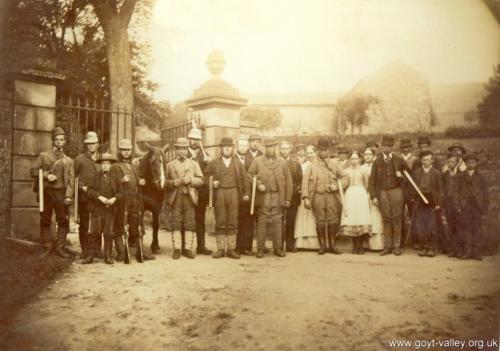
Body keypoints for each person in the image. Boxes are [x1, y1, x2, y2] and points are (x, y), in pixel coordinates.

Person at [30, 127, 75, 258]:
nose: (59, 142)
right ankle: (47, 246)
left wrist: (68, 196)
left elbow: (71, 181)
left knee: (63, 220)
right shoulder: (44, 156)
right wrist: (46, 175)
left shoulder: (68, 160)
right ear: (52, 141)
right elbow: (32, 171)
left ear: (65, 142)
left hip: (61, 194)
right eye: (57, 139)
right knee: (45, 219)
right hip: (47, 192)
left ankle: (60, 248)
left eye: (62, 140)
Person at [204, 137, 250, 259]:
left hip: (234, 192)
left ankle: (231, 249)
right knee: (220, 219)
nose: (227, 149)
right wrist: (211, 183)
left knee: (232, 220)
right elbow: (205, 177)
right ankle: (220, 249)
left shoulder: (237, 163)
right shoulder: (214, 163)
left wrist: (246, 193)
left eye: (229, 147)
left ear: (232, 149)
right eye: (225, 147)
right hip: (220, 193)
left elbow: (245, 179)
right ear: (221, 149)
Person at [248, 138, 292, 258]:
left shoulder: (282, 162)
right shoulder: (257, 161)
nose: (270, 149)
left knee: (278, 222)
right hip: (263, 196)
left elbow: (288, 181)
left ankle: (278, 248)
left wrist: (287, 198)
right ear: (264, 148)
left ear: (275, 148)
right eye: (268, 147)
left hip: (278, 196)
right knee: (262, 222)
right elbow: (249, 175)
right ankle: (260, 249)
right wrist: (258, 184)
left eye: (272, 147)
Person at [301, 138, 347, 255]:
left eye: (326, 150)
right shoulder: (311, 165)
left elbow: (345, 178)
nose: (324, 152)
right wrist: (306, 197)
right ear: (318, 151)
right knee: (320, 220)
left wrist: (336, 186)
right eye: (322, 150)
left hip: (332, 197)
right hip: (318, 196)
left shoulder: (334, 164)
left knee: (332, 220)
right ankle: (322, 245)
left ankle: (332, 245)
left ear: (329, 151)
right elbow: (305, 182)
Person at [111, 139, 154, 262]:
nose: (126, 152)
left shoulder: (135, 166)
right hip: (122, 201)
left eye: (128, 150)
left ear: (131, 151)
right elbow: (111, 184)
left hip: (135, 200)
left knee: (137, 224)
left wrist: (142, 182)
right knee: (119, 225)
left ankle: (140, 251)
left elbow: (138, 180)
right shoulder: (114, 167)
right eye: (123, 150)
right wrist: (121, 180)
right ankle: (121, 252)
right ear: (119, 151)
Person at [164, 137, 204, 259]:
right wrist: (172, 183)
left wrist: (190, 180)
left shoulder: (194, 164)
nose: (181, 152)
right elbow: (163, 183)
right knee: (175, 222)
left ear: (187, 150)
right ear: (176, 150)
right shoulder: (170, 165)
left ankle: (187, 249)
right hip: (175, 197)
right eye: (179, 149)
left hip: (189, 197)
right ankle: (177, 249)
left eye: (184, 149)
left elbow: (201, 180)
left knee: (189, 222)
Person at [368, 136, 409, 256]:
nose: (387, 148)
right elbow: (372, 182)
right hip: (383, 192)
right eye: (385, 145)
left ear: (392, 147)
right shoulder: (377, 162)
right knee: (386, 219)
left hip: (397, 191)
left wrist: (401, 175)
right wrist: (373, 196)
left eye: (389, 146)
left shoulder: (399, 160)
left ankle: (396, 246)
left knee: (397, 218)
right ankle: (387, 247)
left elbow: (409, 177)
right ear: (381, 146)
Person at [85, 153, 121, 264]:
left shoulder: (116, 178)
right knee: (94, 231)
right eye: (103, 164)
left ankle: (108, 256)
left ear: (111, 165)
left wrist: (114, 198)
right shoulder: (94, 176)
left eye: (107, 164)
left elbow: (122, 192)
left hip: (110, 209)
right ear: (100, 165)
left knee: (108, 232)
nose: (105, 166)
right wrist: (99, 197)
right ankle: (91, 255)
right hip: (97, 208)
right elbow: (89, 191)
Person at [410, 151, 443, 258]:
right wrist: (414, 199)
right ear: (421, 161)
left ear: (432, 160)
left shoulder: (436, 173)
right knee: (421, 225)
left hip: (432, 201)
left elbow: (440, 190)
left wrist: (438, 203)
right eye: (424, 160)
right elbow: (413, 189)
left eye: (428, 159)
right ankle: (423, 247)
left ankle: (432, 247)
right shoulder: (417, 172)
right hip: (420, 201)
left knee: (431, 225)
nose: (426, 162)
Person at [73, 131, 101, 259]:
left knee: (98, 223)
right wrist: (79, 187)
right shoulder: (79, 160)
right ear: (86, 145)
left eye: (93, 144)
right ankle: (85, 249)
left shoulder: (103, 160)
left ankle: (97, 249)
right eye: (88, 144)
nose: (91, 146)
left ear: (98, 144)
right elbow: (73, 178)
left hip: (99, 198)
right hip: (84, 197)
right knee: (84, 224)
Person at [456, 153, 489, 261]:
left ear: (476, 163)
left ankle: (476, 252)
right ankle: (467, 251)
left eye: (473, 162)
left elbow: (485, 193)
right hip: (465, 205)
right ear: (465, 164)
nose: (471, 164)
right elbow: (456, 192)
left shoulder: (481, 177)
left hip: (477, 206)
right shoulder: (460, 176)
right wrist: (458, 206)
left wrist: (484, 207)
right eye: (469, 162)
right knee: (465, 228)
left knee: (477, 228)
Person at [187, 127, 212, 255]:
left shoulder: (204, 154)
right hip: (186, 192)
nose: (195, 142)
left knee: (200, 219)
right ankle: (185, 247)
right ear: (189, 140)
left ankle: (201, 246)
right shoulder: (184, 153)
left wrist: (210, 163)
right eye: (193, 139)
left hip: (201, 192)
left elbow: (209, 174)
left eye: (197, 139)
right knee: (186, 219)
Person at [341, 151, 371, 254]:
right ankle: (354, 246)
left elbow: (367, 185)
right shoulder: (346, 171)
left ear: (359, 159)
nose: (354, 161)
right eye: (352, 158)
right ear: (349, 160)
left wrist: (363, 194)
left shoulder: (363, 170)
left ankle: (361, 246)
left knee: (360, 219)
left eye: (356, 158)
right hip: (350, 196)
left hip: (361, 195)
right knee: (352, 220)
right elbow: (344, 184)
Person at [280, 141, 302, 252]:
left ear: (290, 149)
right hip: (279, 195)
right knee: (279, 220)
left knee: (290, 221)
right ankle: (278, 245)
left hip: (293, 196)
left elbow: (299, 178)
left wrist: (298, 188)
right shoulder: (276, 162)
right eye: (282, 148)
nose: (284, 150)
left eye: (286, 148)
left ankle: (289, 244)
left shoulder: (295, 163)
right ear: (280, 149)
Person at [294, 145, 319, 249]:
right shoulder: (303, 165)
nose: (309, 155)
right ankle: (302, 243)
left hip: (316, 193)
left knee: (314, 216)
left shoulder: (319, 164)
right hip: (305, 193)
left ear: (315, 153)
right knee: (303, 215)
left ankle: (315, 243)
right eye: (307, 153)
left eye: (311, 153)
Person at [360, 148, 384, 251]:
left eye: (369, 154)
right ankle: (365, 244)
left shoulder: (378, 166)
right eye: (365, 154)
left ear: (373, 156)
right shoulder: (361, 168)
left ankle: (377, 244)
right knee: (366, 217)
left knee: (376, 217)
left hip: (374, 194)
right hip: (364, 195)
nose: (367, 156)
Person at [234, 137, 254, 255]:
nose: (242, 147)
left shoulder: (251, 160)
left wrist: (248, 192)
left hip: (247, 194)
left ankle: (246, 247)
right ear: (237, 147)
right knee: (236, 220)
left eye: (244, 145)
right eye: (240, 145)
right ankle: (236, 247)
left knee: (247, 220)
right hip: (235, 194)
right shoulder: (232, 159)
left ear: (247, 147)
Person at [442, 154, 463, 257]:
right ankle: (453, 249)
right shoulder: (445, 175)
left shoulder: (461, 175)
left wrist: (460, 204)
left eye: (453, 162)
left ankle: (460, 250)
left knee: (459, 226)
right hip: (448, 203)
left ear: (457, 163)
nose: (451, 163)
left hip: (458, 203)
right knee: (451, 226)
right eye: (449, 161)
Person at [399, 138, 417, 247]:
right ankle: (401, 240)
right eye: (403, 148)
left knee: (413, 214)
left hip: (411, 191)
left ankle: (415, 241)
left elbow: (416, 177)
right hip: (400, 190)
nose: (405, 149)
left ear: (410, 148)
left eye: (407, 147)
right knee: (399, 215)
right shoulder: (397, 159)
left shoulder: (415, 160)